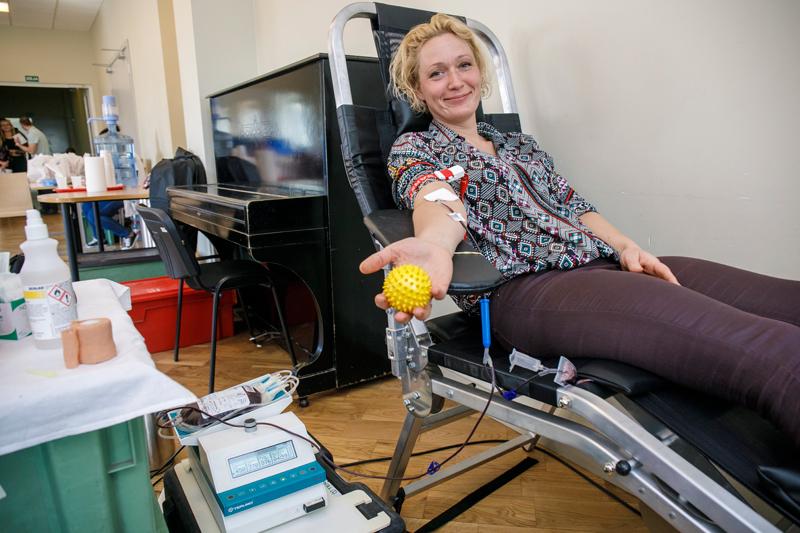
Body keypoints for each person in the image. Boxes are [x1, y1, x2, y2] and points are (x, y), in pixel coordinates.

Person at [358, 14, 800, 448]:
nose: (455, 81)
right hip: (526, 290)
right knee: (769, 349)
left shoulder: (519, 144)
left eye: (464, 65)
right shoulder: (416, 148)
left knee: (780, 301)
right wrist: (435, 245)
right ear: (417, 89)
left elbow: (573, 205)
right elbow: (435, 198)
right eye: (437, 73)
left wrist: (626, 247)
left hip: (600, 267)